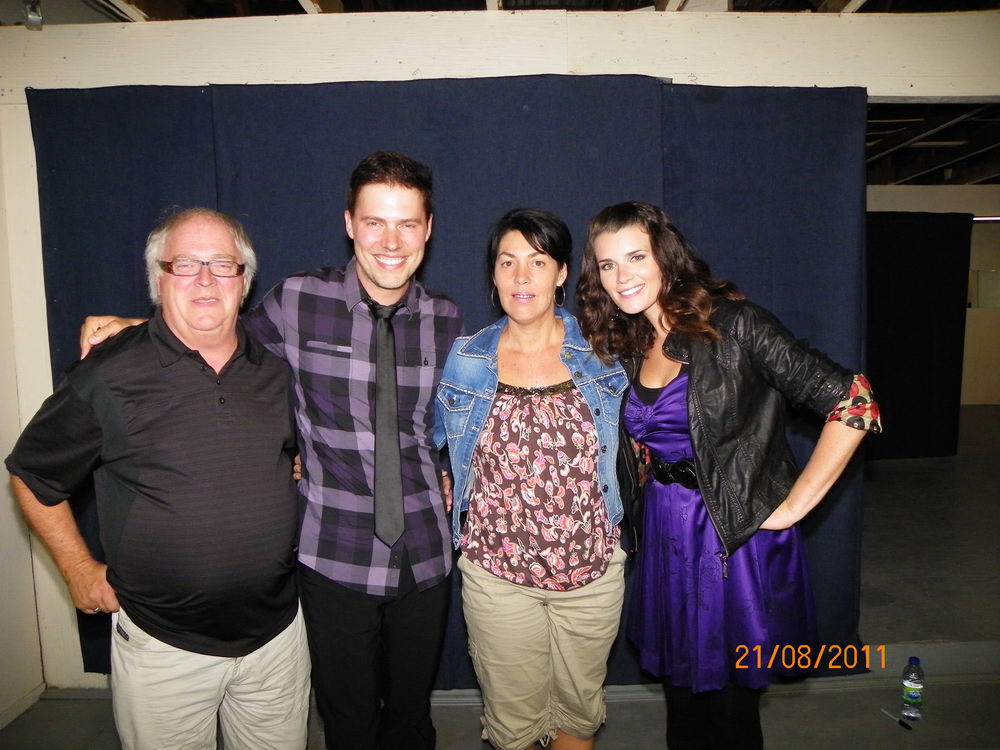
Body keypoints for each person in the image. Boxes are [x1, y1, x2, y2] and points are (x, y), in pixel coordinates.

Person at [80, 152, 465, 750]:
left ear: (428, 229)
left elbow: (451, 421)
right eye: (374, 222)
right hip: (334, 556)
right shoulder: (299, 300)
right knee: (348, 722)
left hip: (427, 552)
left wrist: (450, 470)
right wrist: (135, 327)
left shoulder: (445, 317)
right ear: (349, 224)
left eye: (407, 224)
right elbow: (218, 337)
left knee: (413, 720)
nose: (391, 242)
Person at [576, 201, 881, 750]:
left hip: (731, 539)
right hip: (667, 535)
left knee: (731, 712)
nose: (622, 276)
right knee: (682, 706)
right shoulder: (634, 342)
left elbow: (854, 402)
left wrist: (793, 505)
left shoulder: (735, 324)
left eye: (636, 257)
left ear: (666, 255)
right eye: (607, 264)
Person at [7, 208, 310, 750]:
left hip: (277, 642)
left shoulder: (276, 372)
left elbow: (286, 460)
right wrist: (78, 569)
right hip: (163, 649)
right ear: (158, 278)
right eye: (185, 264)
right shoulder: (108, 374)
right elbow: (32, 475)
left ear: (244, 281)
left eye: (222, 264)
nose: (205, 280)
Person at [434, 209, 631, 750]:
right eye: (508, 262)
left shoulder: (605, 353)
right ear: (493, 275)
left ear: (562, 272)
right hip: (497, 576)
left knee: (577, 719)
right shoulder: (466, 360)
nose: (522, 276)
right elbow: (426, 442)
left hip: (591, 572)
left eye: (538, 262)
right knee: (514, 727)